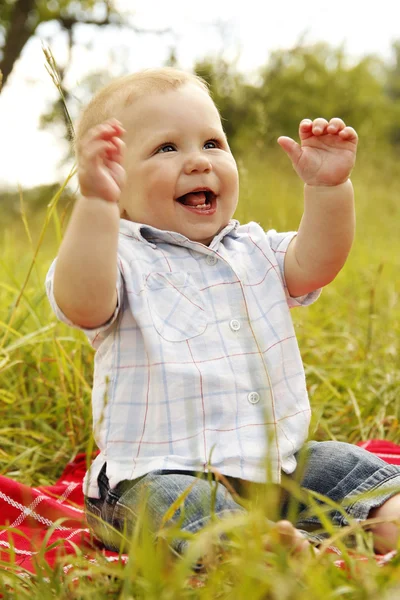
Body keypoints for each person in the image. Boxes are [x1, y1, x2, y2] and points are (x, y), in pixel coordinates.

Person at [46, 67, 400, 563]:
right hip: (154, 473)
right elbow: (82, 301)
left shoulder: (251, 246)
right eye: (166, 148)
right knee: (171, 508)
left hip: (275, 469)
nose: (197, 161)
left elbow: (318, 263)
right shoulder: (118, 258)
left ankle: (387, 520)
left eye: (212, 142)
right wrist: (96, 205)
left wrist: (327, 190)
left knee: (344, 467)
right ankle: (258, 555)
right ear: (116, 184)